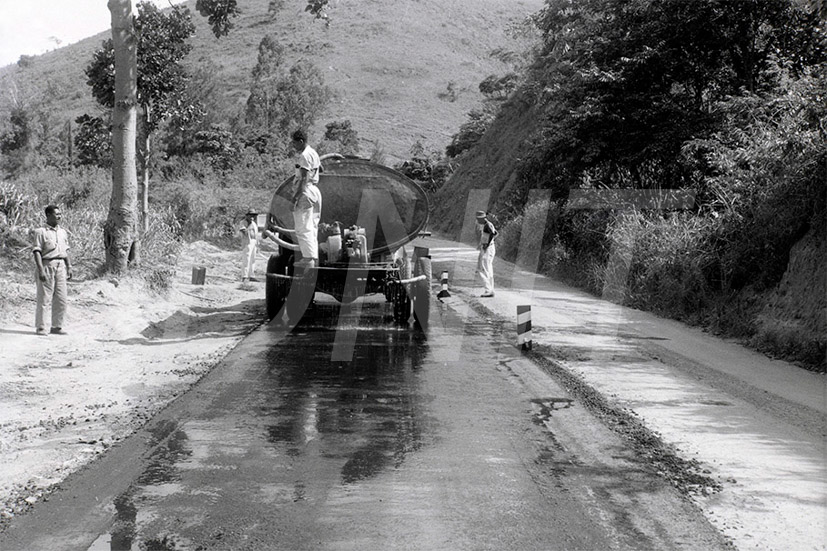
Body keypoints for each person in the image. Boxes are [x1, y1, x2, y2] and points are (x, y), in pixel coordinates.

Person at [32, 205, 72, 335]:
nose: (59, 216)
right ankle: (41, 327)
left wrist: (69, 266)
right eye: (56, 214)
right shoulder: (40, 232)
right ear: (48, 215)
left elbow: (65, 251)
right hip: (47, 264)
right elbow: (37, 251)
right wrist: (41, 269)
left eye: (60, 214)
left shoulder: (63, 232)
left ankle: (57, 326)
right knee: (44, 298)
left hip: (61, 266)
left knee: (61, 298)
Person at [289, 129, 322, 267]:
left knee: (303, 227)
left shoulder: (304, 155)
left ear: (301, 141)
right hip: (315, 191)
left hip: (306, 191)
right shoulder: (313, 153)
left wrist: (295, 198)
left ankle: (308, 259)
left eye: (294, 142)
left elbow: (303, 178)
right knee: (312, 226)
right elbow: (321, 169)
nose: (293, 145)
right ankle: (313, 258)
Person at [475, 210, 497, 297]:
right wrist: (481, 244)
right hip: (486, 247)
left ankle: (488, 290)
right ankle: (491, 289)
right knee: (488, 269)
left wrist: (487, 244)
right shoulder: (484, 225)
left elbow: (493, 233)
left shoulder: (487, 225)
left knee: (483, 269)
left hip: (488, 248)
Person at [239, 209, 259, 282]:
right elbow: (243, 230)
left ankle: (251, 275)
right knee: (246, 259)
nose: (252, 217)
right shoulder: (243, 222)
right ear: (247, 216)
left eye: (253, 216)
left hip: (254, 242)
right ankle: (244, 276)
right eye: (251, 215)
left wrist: (257, 244)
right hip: (247, 242)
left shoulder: (254, 223)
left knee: (253, 259)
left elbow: (256, 234)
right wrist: (247, 227)